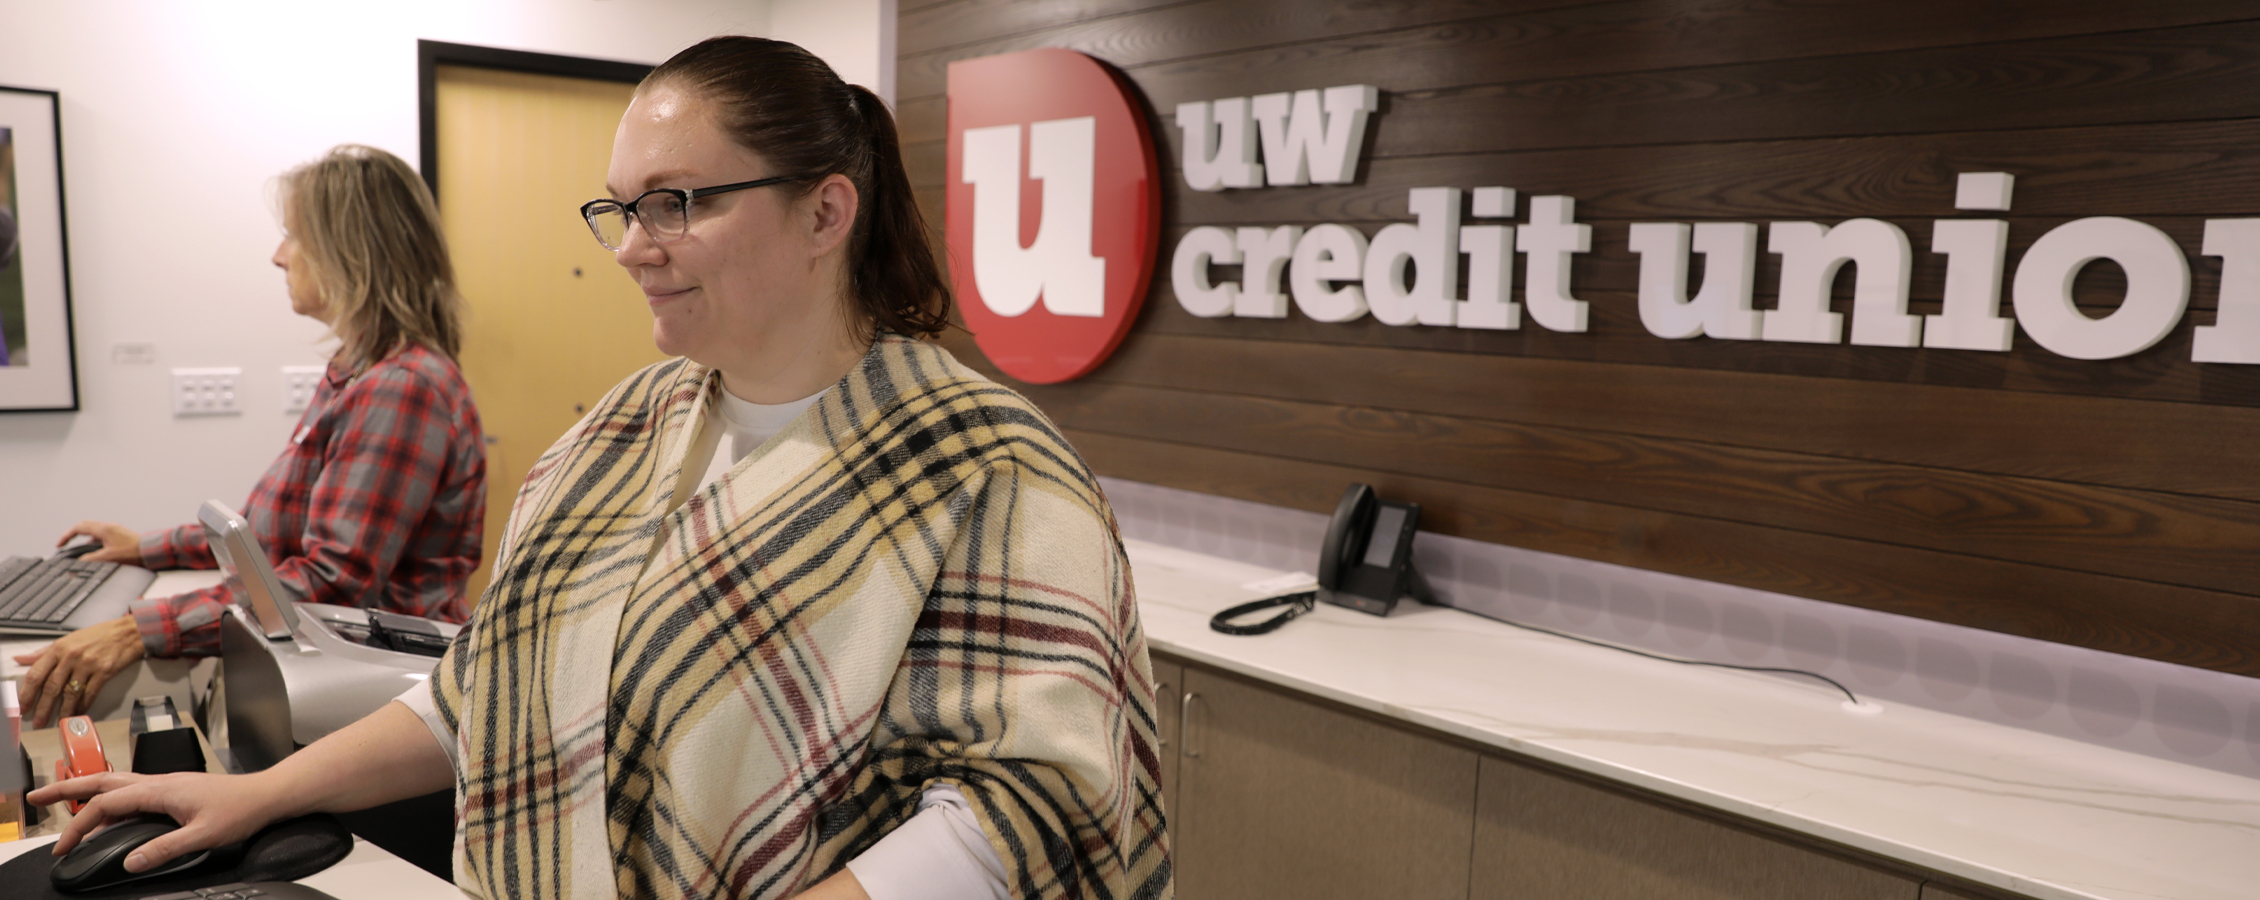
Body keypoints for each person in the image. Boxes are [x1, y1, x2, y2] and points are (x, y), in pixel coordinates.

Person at [34, 37, 1171, 900]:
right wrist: (252, 797)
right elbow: (487, 689)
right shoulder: (621, 435)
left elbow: (1027, 806)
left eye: (674, 204)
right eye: (621, 208)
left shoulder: (988, 469)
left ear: (827, 211)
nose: (630, 246)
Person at [14, 145, 487, 728]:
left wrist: (140, 630)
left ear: (350, 251)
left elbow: (329, 584)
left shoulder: (402, 388)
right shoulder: (357, 372)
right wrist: (146, 545)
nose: (279, 256)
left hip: (381, 699)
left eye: (294, 236)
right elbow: (272, 533)